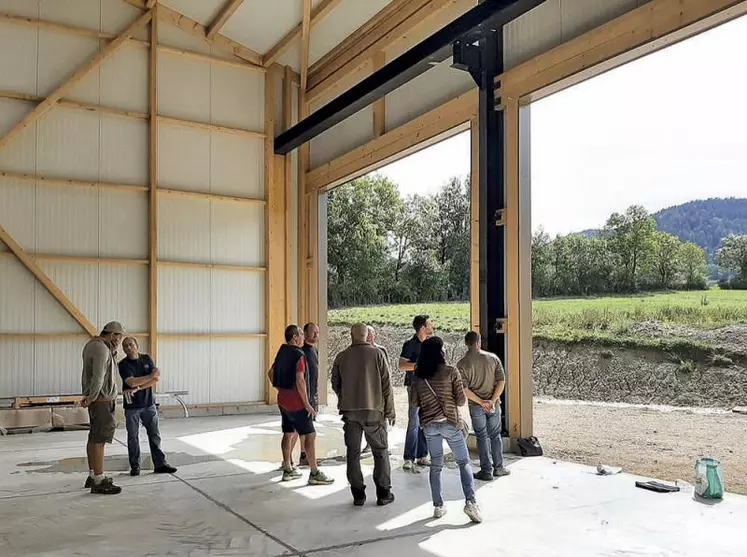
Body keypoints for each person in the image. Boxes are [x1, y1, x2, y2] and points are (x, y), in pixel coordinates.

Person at [410, 336, 482, 523]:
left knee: (436, 466)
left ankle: (438, 506)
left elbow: (415, 403)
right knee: (464, 462)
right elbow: (460, 400)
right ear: (440, 351)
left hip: (429, 426)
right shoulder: (450, 371)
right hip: (450, 423)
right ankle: (471, 502)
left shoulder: (418, 375)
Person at [331, 323, 396, 507]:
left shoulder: (342, 356)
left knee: (353, 453)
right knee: (380, 452)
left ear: (351, 336)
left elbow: (335, 382)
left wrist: (344, 397)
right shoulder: (377, 354)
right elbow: (387, 385)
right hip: (374, 411)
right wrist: (390, 410)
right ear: (367, 335)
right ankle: (384, 493)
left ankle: (358, 494)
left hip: (350, 413)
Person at [268, 324, 334, 485]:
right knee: (310, 435)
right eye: (301, 335)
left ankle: (288, 469)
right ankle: (314, 472)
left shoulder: (282, 351)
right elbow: (300, 380)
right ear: (295, 337)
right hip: (297, 403)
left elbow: (271, 372)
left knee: (288, 432)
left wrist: (280, 388)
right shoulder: (299, 354)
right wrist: (307, 404)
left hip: (283, 400)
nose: (303, 338)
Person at [118, 337, 177, 477]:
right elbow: (131, 382)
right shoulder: (123, 365)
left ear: (137, 345)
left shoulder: (146, 359)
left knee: (154, 434)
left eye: (131, 344)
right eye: (125, 346)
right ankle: (135, 466)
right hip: (132, 407)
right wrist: (149, 376)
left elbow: (155, 380)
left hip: (149, 404)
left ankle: (160, 464)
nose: (128, 348)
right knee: (133, 437)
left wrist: (139, 387)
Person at [457, 331, 510, 481]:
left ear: (466, 344)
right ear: (478, 342)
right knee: (495, 435)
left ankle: (486, 470)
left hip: (476, 406)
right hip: (493, 404)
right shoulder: (493, 358)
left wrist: (481, 402)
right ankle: (499, 467)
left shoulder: (462, 364)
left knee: (481, 436)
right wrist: (492, 401)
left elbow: (464, 389)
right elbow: (501, 381)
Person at [81, 321, 125, 495]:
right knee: (100, 440)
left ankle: (93, 475)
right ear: (113, 335)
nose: (120, 341)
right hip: (102, 400)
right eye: (120, 337)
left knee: (94, 437)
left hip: (97, 399)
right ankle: (99, 479)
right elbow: (98, 376)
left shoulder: (93, 345)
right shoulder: (101, 349)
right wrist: (92, 398)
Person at [399, 315, 432, 470]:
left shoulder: (431, 344)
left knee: (424, 421)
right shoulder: (410, 344)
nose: (432, 325)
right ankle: (408, 457)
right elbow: (402, 365)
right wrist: (419, 366)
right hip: (414, 386)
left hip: (428, 387)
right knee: (414, 421)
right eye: (429, 323)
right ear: (422, 328)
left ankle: (422, 455)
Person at [362, 325, 389, 455]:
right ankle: (369, 444)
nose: (369, 336)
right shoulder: (360, 351)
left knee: (382, 420)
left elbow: (387, 372)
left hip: (379, 390)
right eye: (367, 333)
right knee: (367, 419)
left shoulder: (381, 350)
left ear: (374, 335)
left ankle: (384, 444)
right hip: (366, 390)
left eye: (371, 333)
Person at [299, 322, 320, 467]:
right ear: (305, 333)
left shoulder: (315, 350)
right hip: (303, 396)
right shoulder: (301, 352)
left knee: (306, 429)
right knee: (305, 430)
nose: (316, 335)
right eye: (313, 332)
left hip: (312, 395)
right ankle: (304, 457)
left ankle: (303, 455)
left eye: (317, 332)